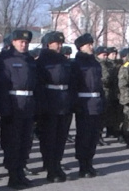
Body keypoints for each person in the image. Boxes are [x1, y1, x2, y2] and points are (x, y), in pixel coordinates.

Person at [0, 29, 38, 189]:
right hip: (13, 105)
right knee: (12, 142)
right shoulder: (5, 59)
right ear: (13, 42)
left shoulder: (30, 60)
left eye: (26, 42)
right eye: (21, 42)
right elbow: (1, 85)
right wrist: (5, 108)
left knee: (26, 141)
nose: (24, 44)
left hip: (28, 104)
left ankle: (21, 172)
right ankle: (13, 176)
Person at [34, 31, 75, 183]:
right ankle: (51, 168)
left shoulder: (63, 60)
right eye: (56, 43)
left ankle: (57, 164)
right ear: (48, 44)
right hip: (49, 103)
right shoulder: (42, 61)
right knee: (49, 138)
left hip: (64, 102)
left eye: (61, 43)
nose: (59, 46)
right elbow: (39, 85)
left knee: (61, 137)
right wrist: (42, 105)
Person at [71, 33, 104, 177]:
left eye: (91, 44)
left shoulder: (95, 63)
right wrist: (76, 104)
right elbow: (74, 86)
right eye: (88, 45)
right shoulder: (76, 64)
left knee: (94, 136)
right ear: (80, 47)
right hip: (84, 104)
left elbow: (99, 84)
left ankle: (89, 163)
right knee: (84, 136)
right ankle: (83, 166)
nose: (91, 47)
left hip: (96, 103)